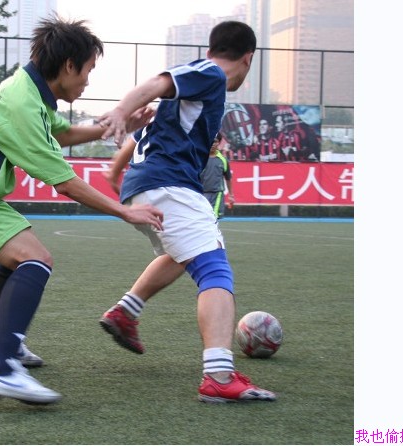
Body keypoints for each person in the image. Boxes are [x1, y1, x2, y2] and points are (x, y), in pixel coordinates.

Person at [0, 16, 163, 406]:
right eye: (88, 70)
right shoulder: (22, 103)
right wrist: (124, 211)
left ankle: (3, 346)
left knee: (22, 258)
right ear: (68, 66)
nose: (87, 81)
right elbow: (65, 182)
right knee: (35, 260)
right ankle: (1, 370)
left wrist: (121, 124)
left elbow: (64, 134)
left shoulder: (29, 92)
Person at [98, 20, 276, 404]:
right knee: (214, 269)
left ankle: (125, 312)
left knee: (181, 256)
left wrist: (116, 172)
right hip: (168, 185)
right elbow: (156, 83)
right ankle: (219, 375)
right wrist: (121, 110)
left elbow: (145, 130)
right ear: (248, 58)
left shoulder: (197, 91)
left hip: (151, 185)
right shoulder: (210, 74)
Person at [200, 134, 234, 219]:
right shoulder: (200, 158)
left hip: (217, 194)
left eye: (215, 141)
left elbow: (228, 178)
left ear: (218, 143)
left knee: (213, 218)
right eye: (211, 141)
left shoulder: (223, 160)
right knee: (201, 218)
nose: (212, 144)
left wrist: (231, 195)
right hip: (201, 194)